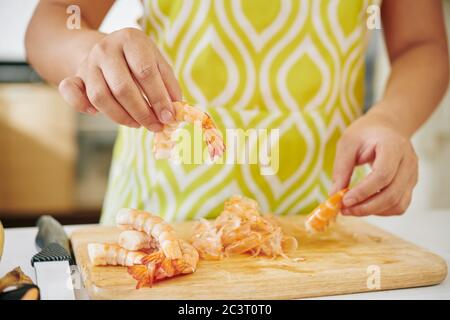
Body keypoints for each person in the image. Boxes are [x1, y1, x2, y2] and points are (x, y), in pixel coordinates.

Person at [25, 0, 449, 224]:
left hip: (322, 214)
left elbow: (421, 45)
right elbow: (53, 18)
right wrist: (88, 53)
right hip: (159, 210)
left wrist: (390, 119)